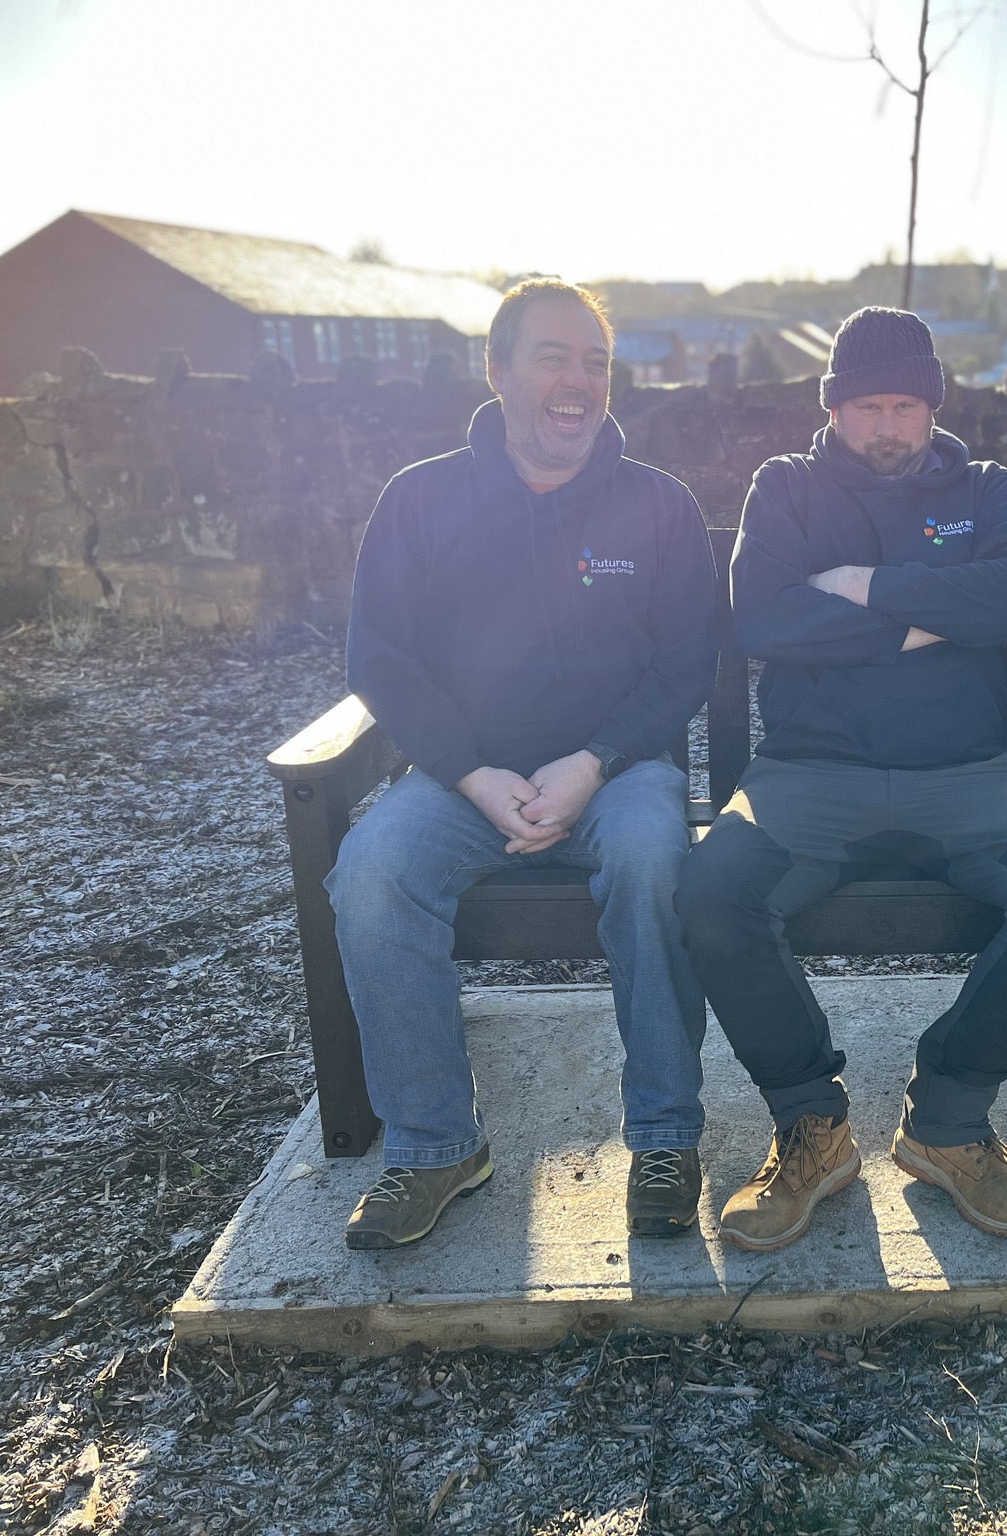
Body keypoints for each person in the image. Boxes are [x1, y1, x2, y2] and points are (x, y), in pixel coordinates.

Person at [677, 307, 1007, 1252]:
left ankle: (949, 1121)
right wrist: (929, 617)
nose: (887, 426)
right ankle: (811, 1124)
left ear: (932, 406)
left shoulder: (988, 487)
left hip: (968, 775)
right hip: (809, 774)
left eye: (904, 406)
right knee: (712, 890)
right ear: (835, 408)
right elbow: (765, 620)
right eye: (867, 405)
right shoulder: (786, 486)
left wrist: (863, 586)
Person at [328, 279, 717, 1248]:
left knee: (654, 863)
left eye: (596, 362)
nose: (578, 380)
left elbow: (686, 664)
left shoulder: (657, 508)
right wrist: (468, 773)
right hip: (466, 780)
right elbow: (378, 656)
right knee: (372, 873)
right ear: (497, 371)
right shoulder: (420, 502)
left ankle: (666, 1136)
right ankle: (434, 1146)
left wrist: (594, 760)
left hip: (617, 776)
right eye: (553, 356)